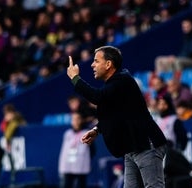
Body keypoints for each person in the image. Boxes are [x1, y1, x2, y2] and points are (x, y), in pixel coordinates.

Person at [67, 45, 167, 188]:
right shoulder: (114, 85)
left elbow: (97, 97)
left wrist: (75, 78)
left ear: (108, 64)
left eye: (96, 61)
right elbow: (115, 115)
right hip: (132, 146)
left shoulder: (123, 80)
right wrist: (96, 130)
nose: (92, 64)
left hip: (146, 144)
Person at [58, 111, 94, 188]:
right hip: (68, 166)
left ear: (82, 120)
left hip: (81, 166)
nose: (76, 121)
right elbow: (64, 152)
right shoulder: (67, 134)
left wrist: (86, 161)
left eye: (78, 119)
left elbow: (92, 150)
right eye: (73, 119)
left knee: (80, 185)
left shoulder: (86, 133)